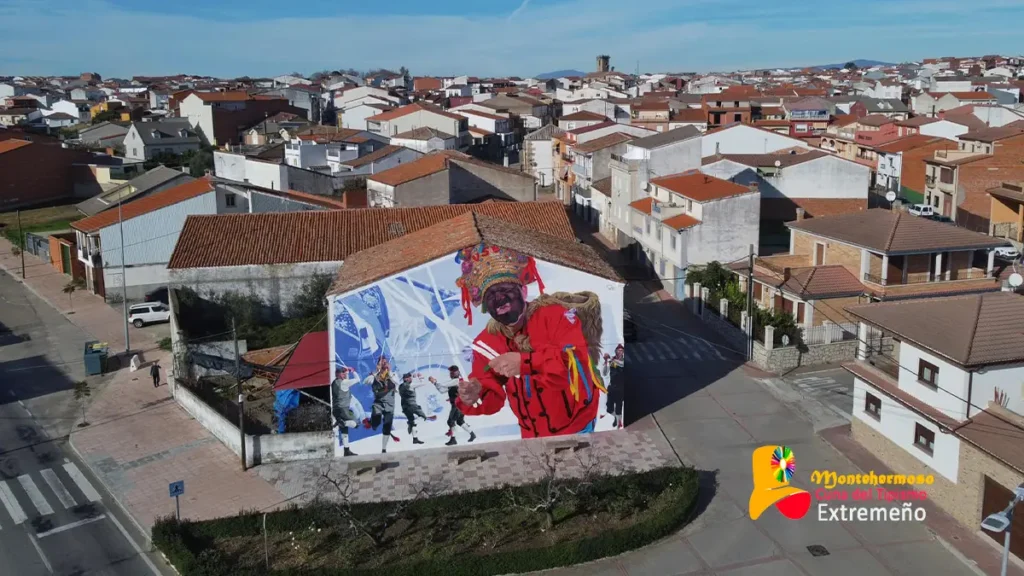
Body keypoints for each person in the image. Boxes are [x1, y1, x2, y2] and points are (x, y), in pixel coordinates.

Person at [453, 245, 606, 438]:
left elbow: (573, 364)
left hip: (577, 426)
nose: (499, 297)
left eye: (506, 289)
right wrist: (476, 393)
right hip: (531, 435)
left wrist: (524, 363)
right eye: (490, 295)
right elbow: (490, 393)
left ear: (523, 291)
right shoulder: (487, 342)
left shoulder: (554, 316)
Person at [429, 366, 476, 446]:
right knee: (459, 421)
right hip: (458, 405)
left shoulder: (457, 380)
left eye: (453, 372)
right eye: (451, 372)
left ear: (457, 372)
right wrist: (435, 383)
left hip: (458, 405)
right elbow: (442, 390)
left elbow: (443, 385)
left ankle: (453, 439)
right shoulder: (453, 383)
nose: (451, 374)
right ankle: (472, 434)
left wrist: (435, 381)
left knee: (451, 421)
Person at [363, 357, 400, 453]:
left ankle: (384, 448)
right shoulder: (374, 375)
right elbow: (366, 382)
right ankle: (373, 424)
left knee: (387, 425)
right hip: (378, 402)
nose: (384, 364)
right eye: (381, 363)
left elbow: (397, 382)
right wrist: (376, 372)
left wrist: (389, 372)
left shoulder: (393, 374)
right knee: (376, 418)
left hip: (390, 404)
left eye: (385, 362)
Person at [398, 372, 436, 445]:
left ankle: (415, 438)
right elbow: (422, 383)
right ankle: (414, 422)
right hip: (412, 405)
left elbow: (413, 384)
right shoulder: (410, 385)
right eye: (409, 377)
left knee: (412, 421)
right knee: (422, 416)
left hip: (404, 406)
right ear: (406, 379)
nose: (411, 378)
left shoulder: (400, 386)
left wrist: (415, 378)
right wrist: (421, 377)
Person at [331, 367, 361, 456]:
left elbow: (346, 381)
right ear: (338, 374)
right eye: (342, 373)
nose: (344, 374)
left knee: (344, 432)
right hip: (343, 409)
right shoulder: (344, 383)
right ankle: (342, 423)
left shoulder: (334, 383)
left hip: (336, 410)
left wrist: (347, 372)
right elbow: (357, 379)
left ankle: (346, 450)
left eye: (344, 373)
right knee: (356, 423)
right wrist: (353, 371)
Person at [602, 345, 625, 429]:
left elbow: (622, 365)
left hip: (620, 388)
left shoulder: (623, 360)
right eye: (618, 350)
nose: (620, 352)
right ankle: (616, 418)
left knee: (619, 408)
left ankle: (619, 425)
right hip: (611, 387)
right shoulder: (612, 360)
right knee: (609, 409)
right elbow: (605, 373)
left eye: (621, 350)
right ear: (616, 351)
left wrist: (612, 360)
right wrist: (606, 362)